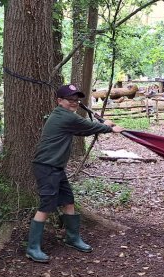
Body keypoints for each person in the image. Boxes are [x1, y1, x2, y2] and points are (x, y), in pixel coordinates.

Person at [26, 84, 124, 263]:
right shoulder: (64, 116)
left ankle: (72, 238)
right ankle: (32, 248)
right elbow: (89, 127)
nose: (74, 103)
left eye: (76, 100)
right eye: (70, 100)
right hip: (46, 167)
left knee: (68, 202)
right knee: (46, 206)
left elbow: (81, 130)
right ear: (59, 101)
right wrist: (109, 127)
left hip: (56, 167)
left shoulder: (65, 117)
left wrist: (103, 126)